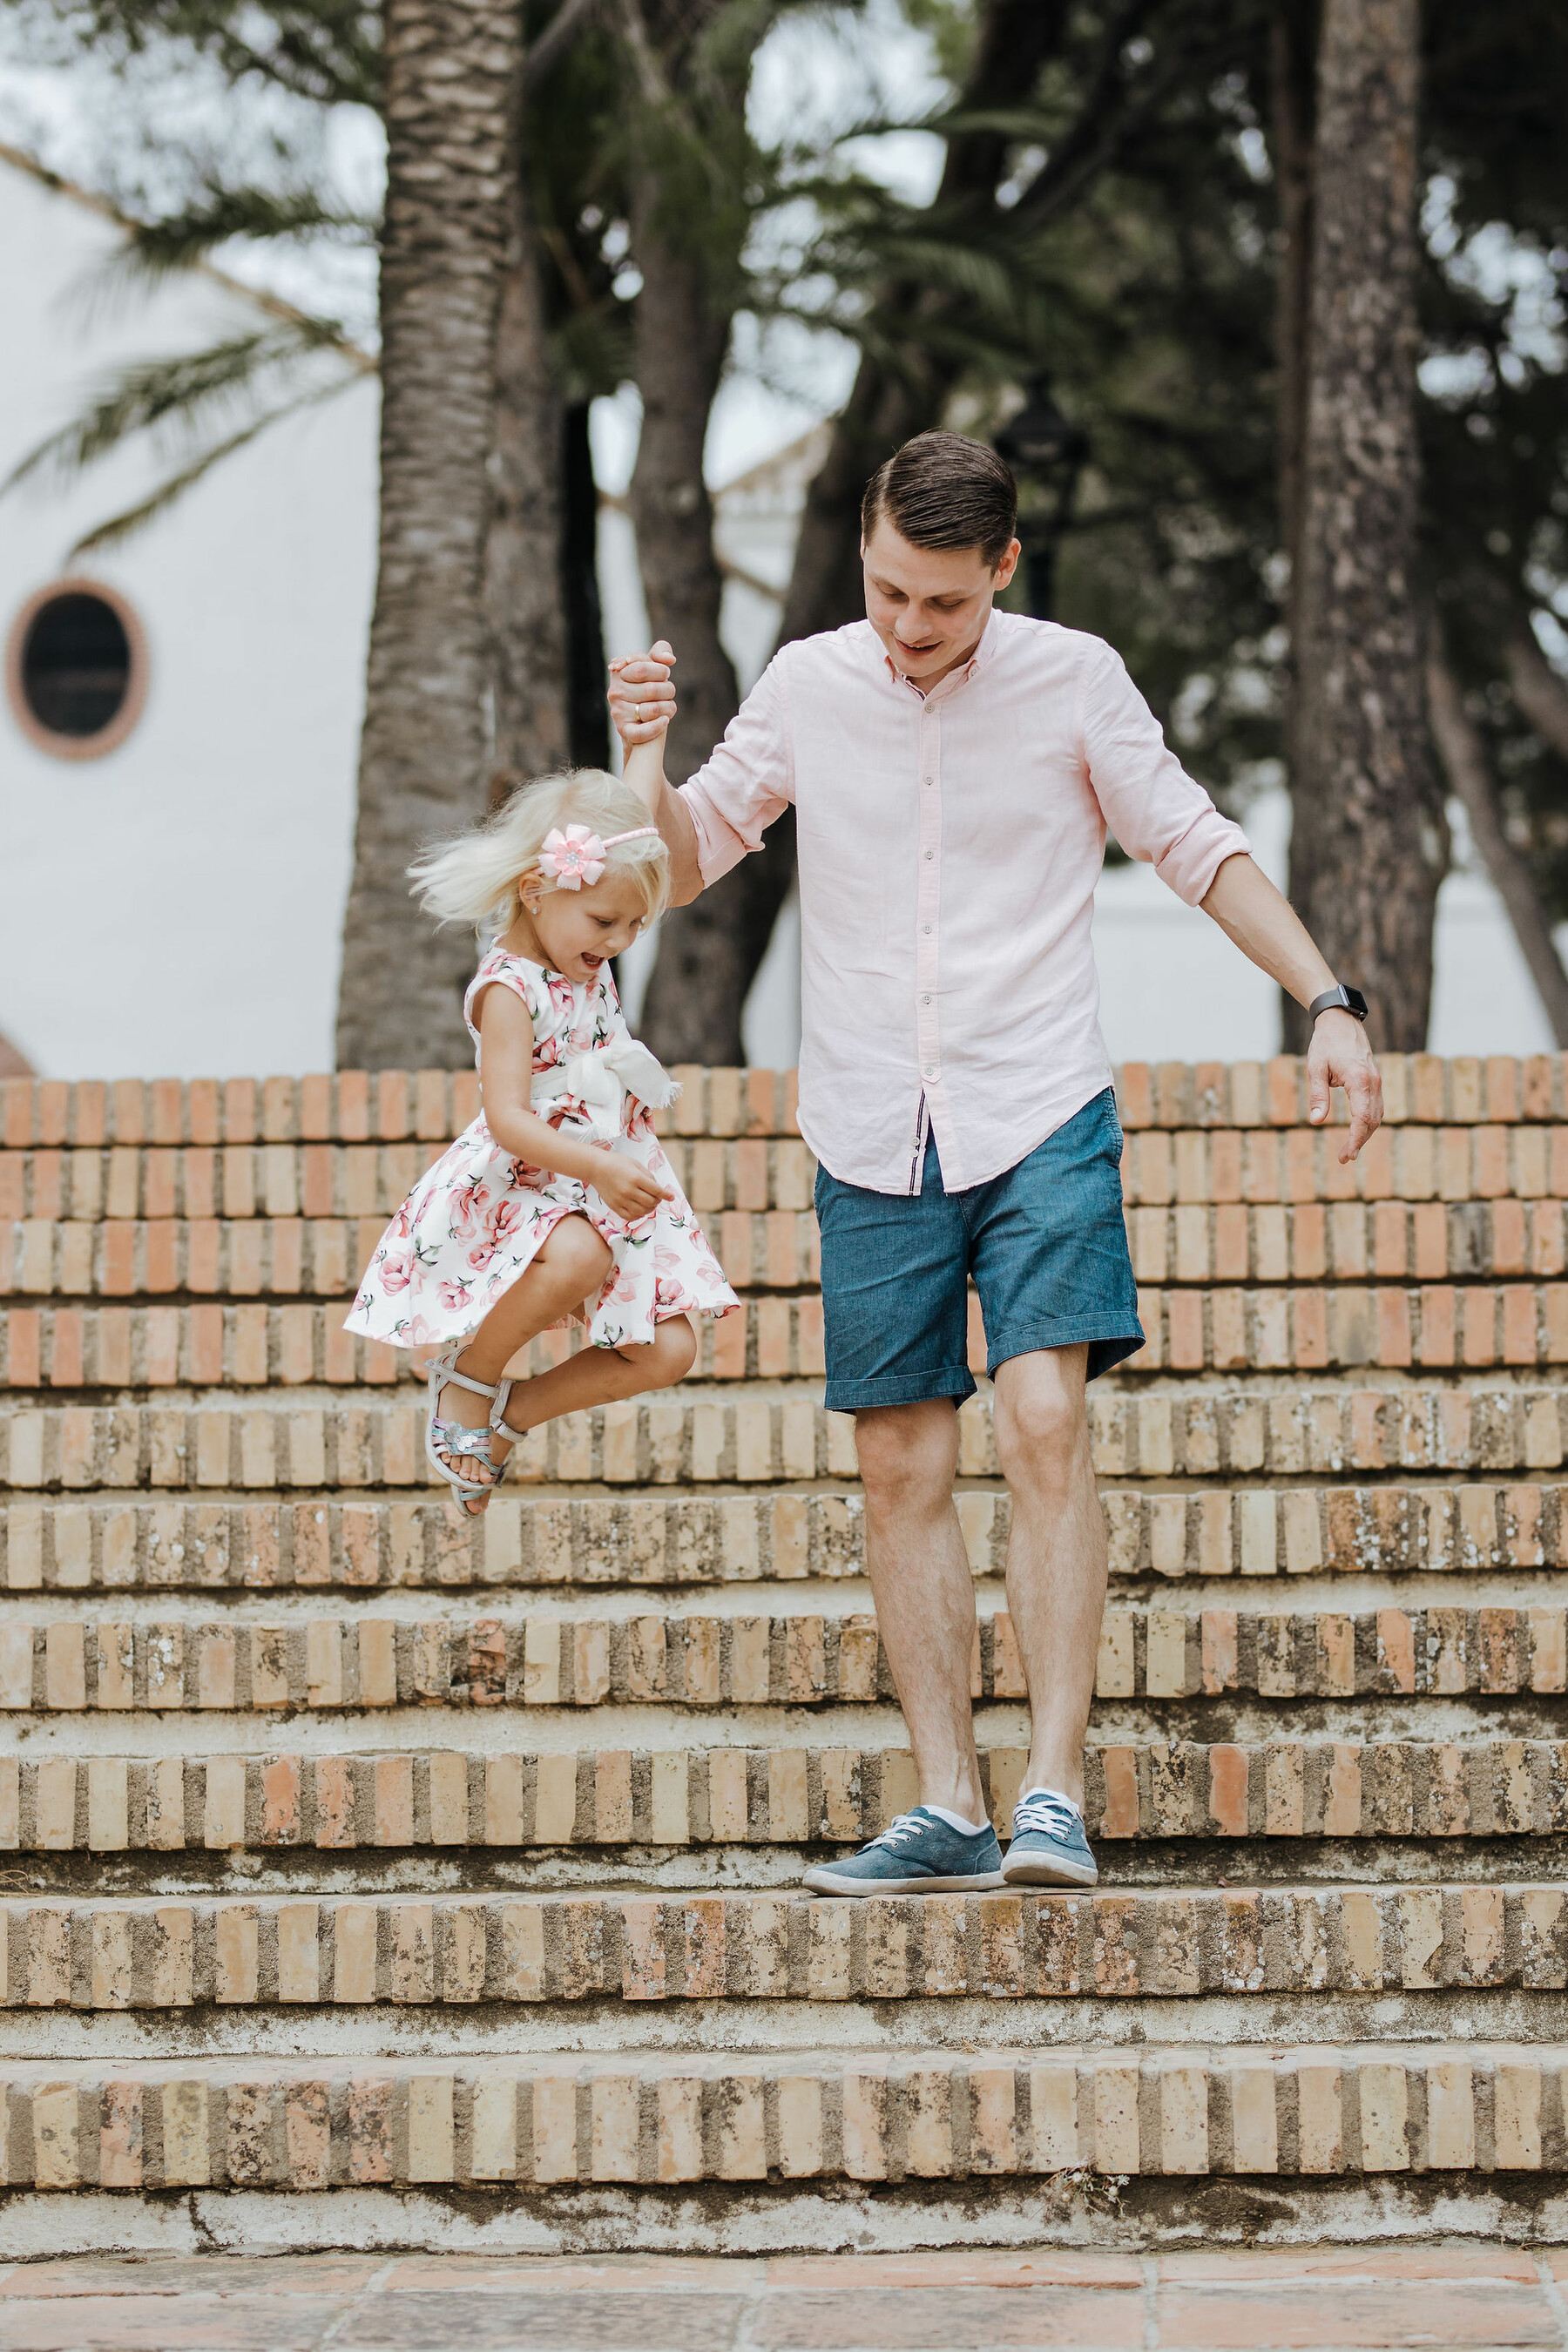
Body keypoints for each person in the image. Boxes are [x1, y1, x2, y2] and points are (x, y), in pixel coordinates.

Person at [608, 429, 1382, 1897]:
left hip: (1037, 1108)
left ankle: (1049, 1795)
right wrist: (643, 763)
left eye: (945, 605)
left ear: (1002, 570)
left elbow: (1196, 843)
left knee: (1041, 1416)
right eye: (892, 592)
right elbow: (684, 863)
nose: (910, 630)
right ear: (867, 556)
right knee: (899, 1460)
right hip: (864, 1121)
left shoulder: (1074, 678)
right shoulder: (808, 686)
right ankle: (950, 1800)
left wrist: (1327, 1001)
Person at [345, 730, 739, 1517]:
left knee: (668, 1348)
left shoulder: (581, 943)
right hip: (537, 1178)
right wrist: (595, 1169)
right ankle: (470, 1375)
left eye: (633, 926)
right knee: (578, 1254)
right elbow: (507, 1119)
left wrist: (646, 740)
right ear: (536, 888)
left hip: (605, 1171)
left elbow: (631, 826)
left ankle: (511, 1414)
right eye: (606, 922)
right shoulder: (509, 989)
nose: (621, 942)